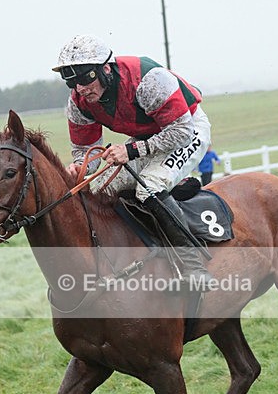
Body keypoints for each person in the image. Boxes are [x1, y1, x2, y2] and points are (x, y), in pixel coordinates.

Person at [52, 35, 213, 289]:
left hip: (186, 128)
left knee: (149, 186)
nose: (80, 88)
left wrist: (131, 150)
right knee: (100, 189)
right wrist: (79, 168)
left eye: (85, 78)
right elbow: (84, 151)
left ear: (105, 69)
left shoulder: (148, 80)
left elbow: (181, 131)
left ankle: (194, 266)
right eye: (72, 82)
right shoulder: (79, 103)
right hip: (148, 136)